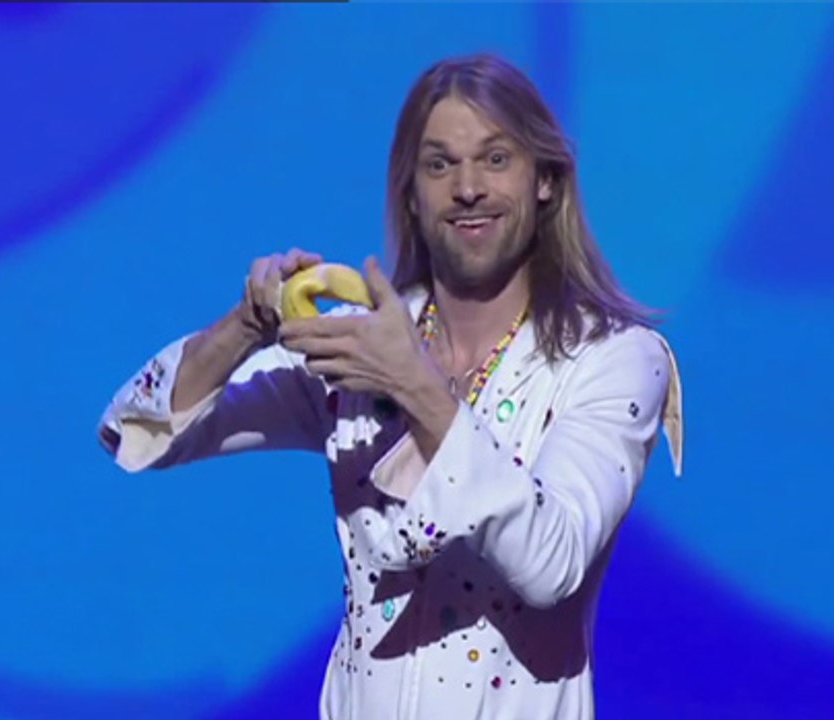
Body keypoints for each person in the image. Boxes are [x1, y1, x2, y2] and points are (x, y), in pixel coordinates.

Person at [98, 53, 684, 720]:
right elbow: (132, 433)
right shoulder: (360, 343)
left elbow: (549, 564)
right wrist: (244, 325)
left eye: (495, 160)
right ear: (411, 192)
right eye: (439, 165)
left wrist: (414, 384)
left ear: (545, 180)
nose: (467, 188)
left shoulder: (610, 359)